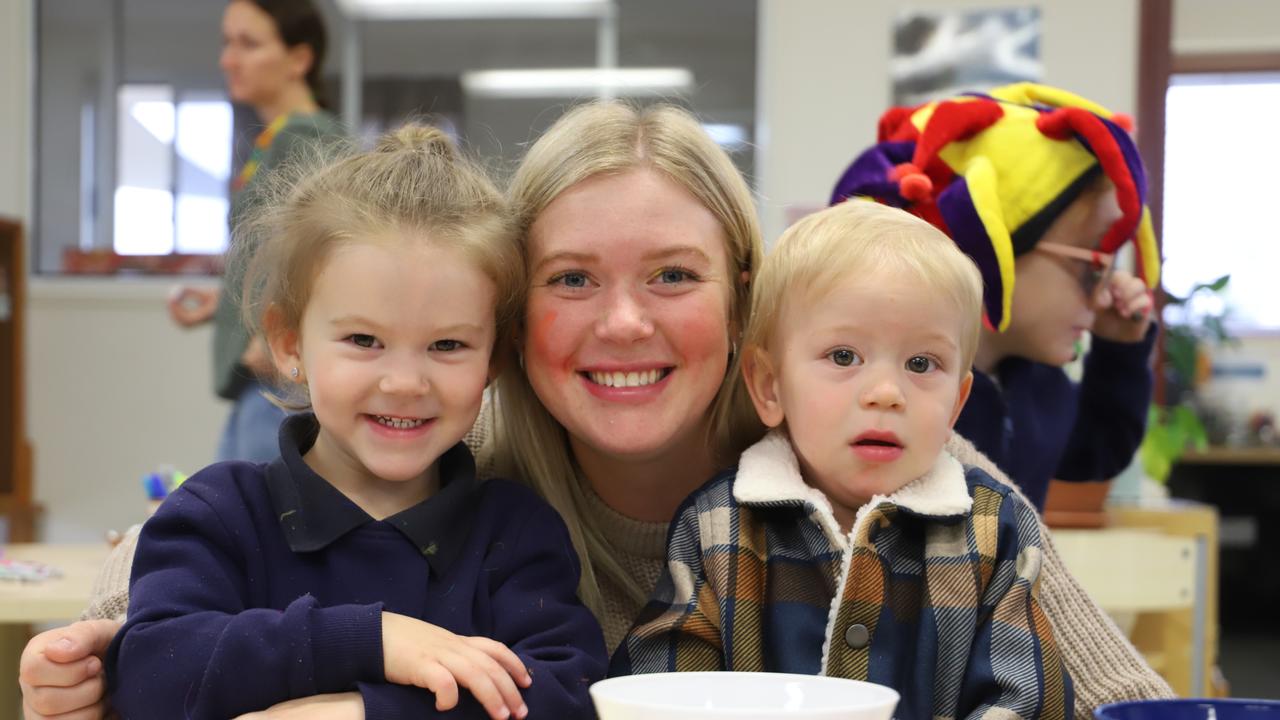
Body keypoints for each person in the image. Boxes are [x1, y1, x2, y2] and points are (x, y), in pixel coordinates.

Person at [20, 101, 1171, 720]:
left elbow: (1129, 701)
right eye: (571, 279)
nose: (622, 324)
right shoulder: (460, 454)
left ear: (744, 306)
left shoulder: (877, 453)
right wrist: (85, 656)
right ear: (512, 322)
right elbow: (200, 558)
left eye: (671, 276)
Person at [107, 125, 605, 720]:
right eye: (364, 340)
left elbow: (565, 698)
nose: (404, 382)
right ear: (288, 343)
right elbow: (151, 679)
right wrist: (373, 640)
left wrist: (359, 712)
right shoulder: (220, 514)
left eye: (447, 345)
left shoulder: (514, 534)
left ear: (494, 360)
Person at [612, 199, 1072, 720]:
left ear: (955, 406)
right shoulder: (718, 526)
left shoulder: (994, 528)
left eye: (922, 363)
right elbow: (664, 689)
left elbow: (1027, 700)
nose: (885, 392)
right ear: (769, 386)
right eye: (843, 356)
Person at [831, 83, 1161, 512]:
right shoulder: (898, 394)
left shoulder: (1039, 384)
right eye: (1092, 266)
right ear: (991, 246)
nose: (1102, 299)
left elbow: (1096, 451)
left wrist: (1120, 350)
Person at [168, 0, 345, 463]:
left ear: (299, 59)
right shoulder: (277, 138)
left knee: (255, 523)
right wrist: (223, 303)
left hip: (280, 377)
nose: (229, 59)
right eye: (227, 43)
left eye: (248, 44)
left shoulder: (309, 140)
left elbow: (328, 254)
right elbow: (272, 250)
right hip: (266, 374)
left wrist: (272, 334)